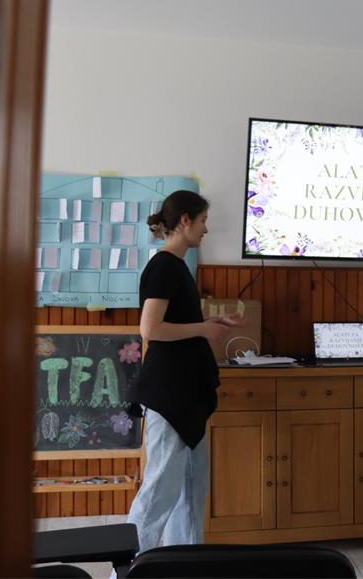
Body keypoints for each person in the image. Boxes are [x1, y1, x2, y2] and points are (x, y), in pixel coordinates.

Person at [125, 191, 243, 553]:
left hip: (187, 395)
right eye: (203, 220)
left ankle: (185, 563)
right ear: (185, 220)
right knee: (159, 491)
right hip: (169, 396)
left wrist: (210, 322)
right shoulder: (163, 267)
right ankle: (125, 569)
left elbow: (176, 324)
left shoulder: (177, 266)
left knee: (191, 492)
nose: (207, 229)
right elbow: (151, 330)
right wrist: (203, 329)